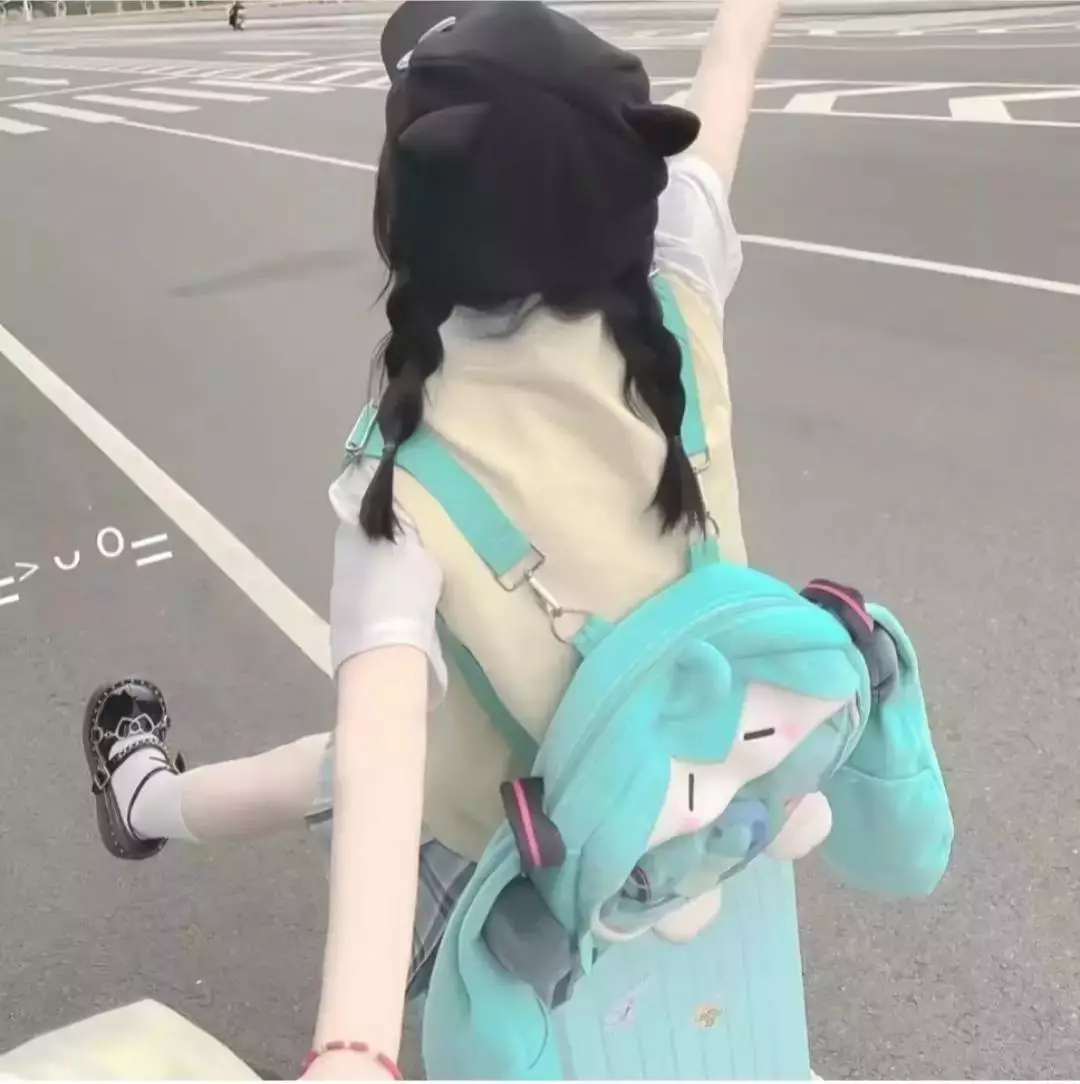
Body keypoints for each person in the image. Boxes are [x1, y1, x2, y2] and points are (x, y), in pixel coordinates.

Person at [83, 0, 795, 1078]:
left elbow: (381, 755)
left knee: (370, 771)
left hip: (516, 853)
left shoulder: (402, 471)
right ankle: (146, 802)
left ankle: (143, 800)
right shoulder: (680, 285)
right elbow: (730, 64)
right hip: (712, 794)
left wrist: (355, 1045)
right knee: (369, 766)